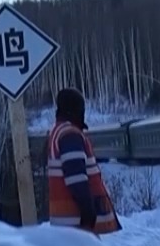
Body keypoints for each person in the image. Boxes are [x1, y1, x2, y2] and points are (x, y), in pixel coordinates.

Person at [45, 88, 121, 235]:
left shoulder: (58, 131)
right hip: (77, 221)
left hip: (66, 222)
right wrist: (88, 209)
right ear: (75, 110)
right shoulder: (70, 135)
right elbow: (76, 176)